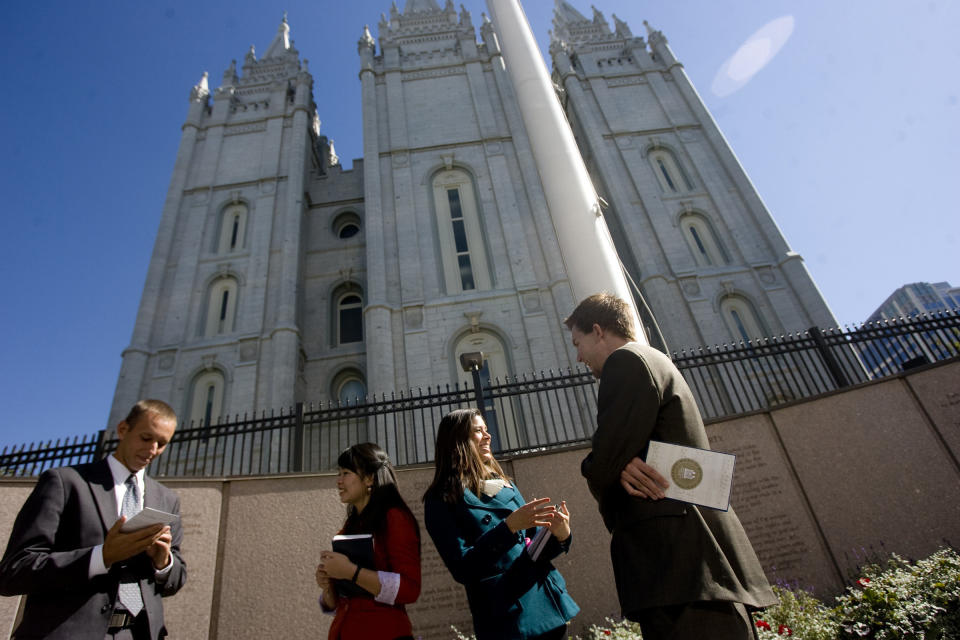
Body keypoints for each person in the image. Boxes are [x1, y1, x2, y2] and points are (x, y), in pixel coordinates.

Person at [565, 293, 777, 640]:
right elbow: (619, 455)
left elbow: (603, 461)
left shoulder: (626, 362)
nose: (578, 356)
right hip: (696, 563)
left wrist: (602, 465)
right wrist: (619, 463)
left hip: (677, 566)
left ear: (599, 331)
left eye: (579, 342)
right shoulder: (656, 360)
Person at [0, 399, 187, 640]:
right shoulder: (66, 483)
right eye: (145, 438)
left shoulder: (167, 499)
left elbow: (176, 578)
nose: (152, 450)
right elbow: (14, 571)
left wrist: (163, 562)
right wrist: (102, 556)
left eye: (162, 444)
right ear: (123, 430)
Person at [423, 409, 579, 640]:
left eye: (486, 430)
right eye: (478, 431)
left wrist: (561, 535)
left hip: (545, 603)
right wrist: (507, 529)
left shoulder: (503, 482)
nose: (488, 436)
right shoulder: (442, 499)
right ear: (457, 440)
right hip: (507, 618)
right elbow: (463, 568)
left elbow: (535, 547)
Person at [316, 443, 421, 640]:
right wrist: (328, 587)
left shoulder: (394, 517)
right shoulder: (350, 525)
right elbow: (341, 602)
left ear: (369, 478)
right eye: (338, 473)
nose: (339, 481)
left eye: (346, 473)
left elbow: (410, 588)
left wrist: (350, 572)